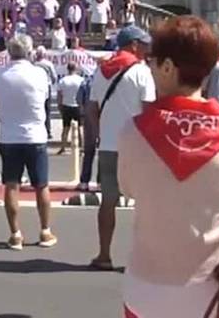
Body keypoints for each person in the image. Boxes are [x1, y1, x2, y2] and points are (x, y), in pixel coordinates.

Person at [119, 16, 219, 318]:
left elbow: (127, 188)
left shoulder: (134, 129)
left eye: (152, 61)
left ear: (168, 67)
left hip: (148, 286)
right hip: (218, 288)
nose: (149, 68)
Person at [88, 26, 155, 270]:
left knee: (108, 201)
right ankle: (142, 258)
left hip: (108, 145)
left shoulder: (101, 71)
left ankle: (104, 254)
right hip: (135, 146)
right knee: (144, 204)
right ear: (134, 45)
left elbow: (91, 109)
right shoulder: (141, 72)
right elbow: (149, 111)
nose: (148, 48)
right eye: (144, 43)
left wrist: (99, 134)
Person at [0, 34, 58, 250]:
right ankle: (45, 230)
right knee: (41, 185)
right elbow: (46, 98)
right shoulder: (39, 73)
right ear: (29, 52)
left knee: (11, 185)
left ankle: (15, 233)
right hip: (35, 135)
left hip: (9, 136)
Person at [56, 62, 85, 156]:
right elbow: (84, 94)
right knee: (80, 127)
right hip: (78, 105)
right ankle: (82, 148)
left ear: (67, 69)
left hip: (66, 105)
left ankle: (63, 147)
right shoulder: (81, 80)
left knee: (65, 128)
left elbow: (59, 95)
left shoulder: (63, 80)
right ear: (76, 69)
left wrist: (59, 106)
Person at [34, 46, 58, 142]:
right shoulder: (48, 64)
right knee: (47, 110)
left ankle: (38, 130)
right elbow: (54, 77)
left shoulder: (34, 64)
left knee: (37, 109)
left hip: (36, 88)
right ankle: (47, 131)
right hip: (46, 87)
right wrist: (51, 83)